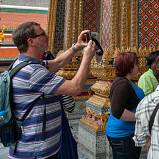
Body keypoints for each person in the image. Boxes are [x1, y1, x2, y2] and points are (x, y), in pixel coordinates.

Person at [9, 22, 97, 159]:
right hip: (35, 152)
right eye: (42, 33)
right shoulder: (33, 72)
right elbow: (75, 87)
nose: (47, 36)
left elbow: (57, 63)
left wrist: (77, 46)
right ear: (31, 41)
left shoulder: (22, 65)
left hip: (34, 147)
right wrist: (87, 57)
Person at [106, 52, 145, 159]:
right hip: (123, 135)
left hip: (125, 133)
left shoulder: (127, 81)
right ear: (128, 65)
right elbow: (118, 112)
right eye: (136, 63)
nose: (138, 65)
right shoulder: (122, 84)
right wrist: (142, 117)